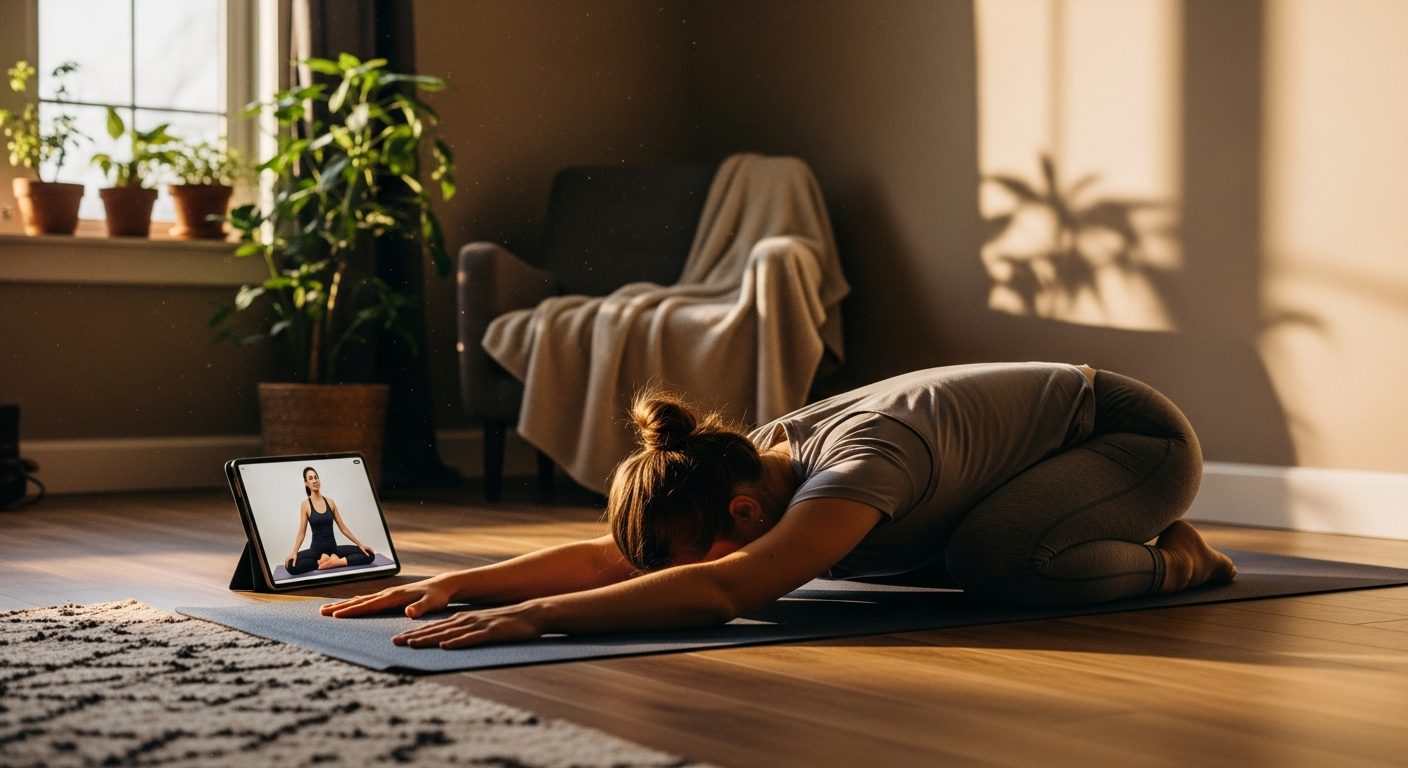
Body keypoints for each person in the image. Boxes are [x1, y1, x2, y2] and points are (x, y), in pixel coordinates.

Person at [322, 362, 1236, 649]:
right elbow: (631, 566)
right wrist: (465, 584)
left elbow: (726, 591)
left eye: (704, 548)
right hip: (1028, 466)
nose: (693, 567)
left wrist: (536, 618)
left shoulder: (859, 464)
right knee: (952, 560)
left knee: (999, 569)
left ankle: (1176, 556)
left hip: (1129, 443)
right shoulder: (739, 470)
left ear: (745, 518)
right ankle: (1092, 527)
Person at [285, 467, 376, 575]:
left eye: (316, 477)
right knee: (291, 565)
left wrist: (360, 544)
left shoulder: (330, 502)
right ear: (306, 483)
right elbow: (302, 533)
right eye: (310, 478)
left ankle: (335, 562)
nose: (315, 480)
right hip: (316, 551)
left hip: (333, 549)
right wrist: (294, 552)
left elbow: (342, 527)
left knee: (369, 554)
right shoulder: (305, 505)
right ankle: (322, 561)